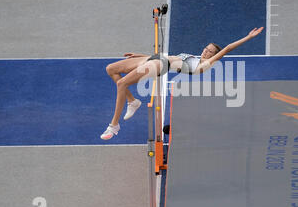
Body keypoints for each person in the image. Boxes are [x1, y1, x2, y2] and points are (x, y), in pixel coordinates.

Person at [101, 27, 264, 140]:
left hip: (160, 65)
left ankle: (114, 125)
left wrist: (248, 37)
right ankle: (132, 101)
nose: (206, 51)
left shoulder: (203, 65)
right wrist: (142, 56)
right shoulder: (195, 58)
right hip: (155, 59)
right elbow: (171, 57)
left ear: (215, 56)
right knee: (111, 69)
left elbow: (227, 48)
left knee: (122, 83)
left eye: (210, 52)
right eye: (206, 49)